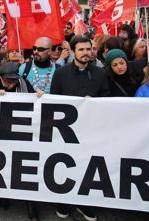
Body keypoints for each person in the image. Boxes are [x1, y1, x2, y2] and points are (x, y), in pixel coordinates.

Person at [50, 36, 109, 221]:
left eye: (89, 49)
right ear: (73, 51)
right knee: (66, 164)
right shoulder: (61, 73)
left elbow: (107, 99)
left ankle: (85, 202)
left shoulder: (100, 73)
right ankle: (65, 201)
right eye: (82, 50)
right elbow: (54, 100)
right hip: (66, 130)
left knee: (88, 165)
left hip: (91, 129)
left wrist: (96, 104)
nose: (86, 53)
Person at [0, 61, 43, 220]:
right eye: (7, 80)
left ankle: (29, 203)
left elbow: (34, 100)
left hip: (22, 131)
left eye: (13, 80)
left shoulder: (24, 84)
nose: (11, 83)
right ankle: (4, 195)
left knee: (24, 166)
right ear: (0, 78)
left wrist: (39, 96)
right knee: (3, 165)